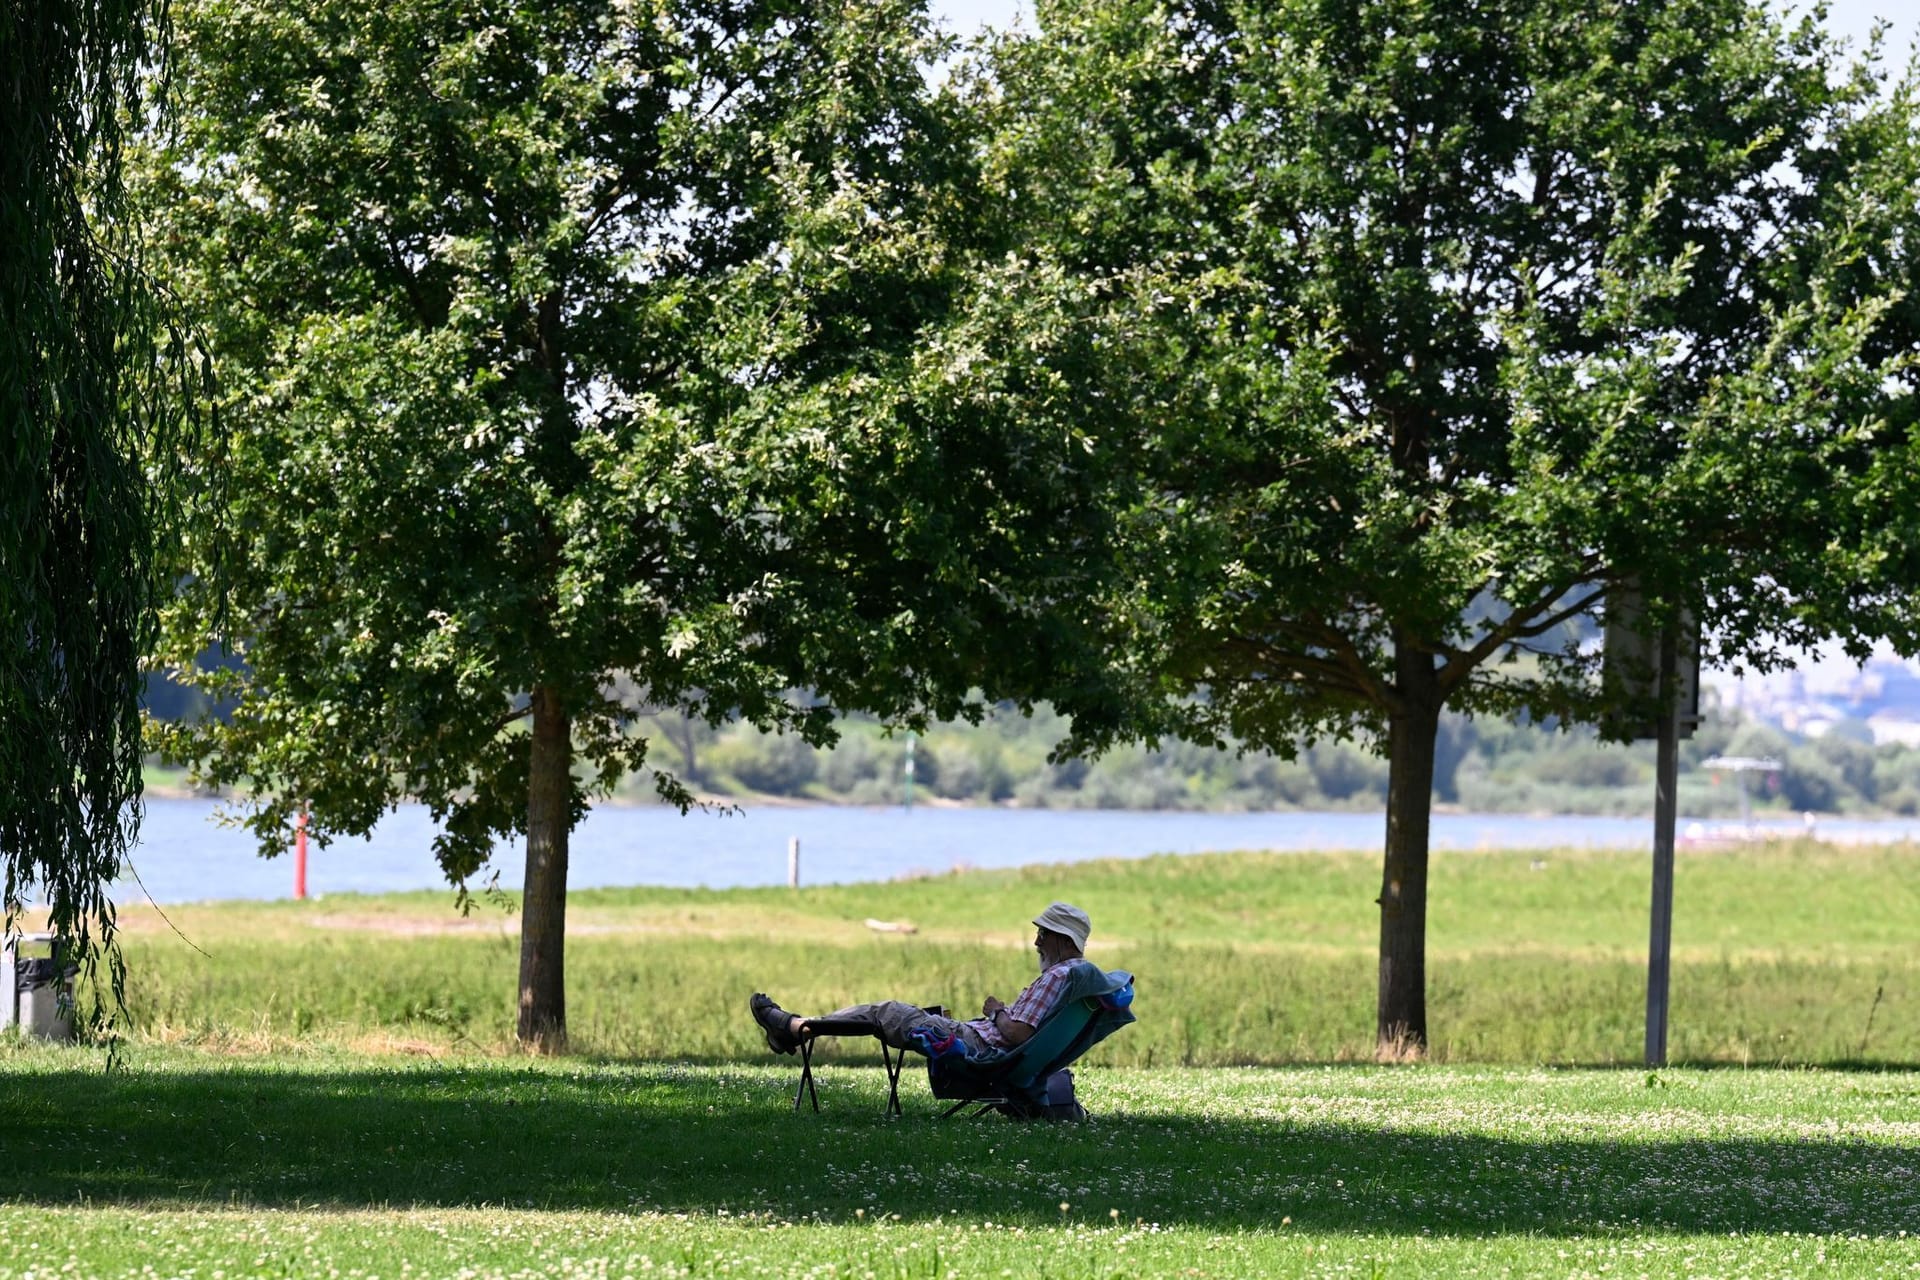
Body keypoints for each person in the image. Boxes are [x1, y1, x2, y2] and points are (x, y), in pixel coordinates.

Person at [750, 901, 1093, 1057]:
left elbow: (1018, 1033)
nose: (1036, 942)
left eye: (1043, 935)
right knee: (907, 1013)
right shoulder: (1073, 977)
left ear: (1063, 940)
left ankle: (795, 1027)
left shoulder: (1057, 977)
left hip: (976, 1047)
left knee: (884, 1012)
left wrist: (996, 1011)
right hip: (974, 1038)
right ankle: (798, 1030)